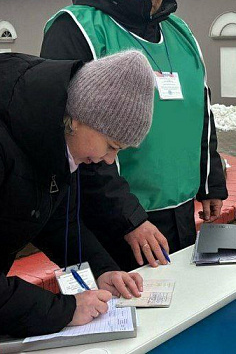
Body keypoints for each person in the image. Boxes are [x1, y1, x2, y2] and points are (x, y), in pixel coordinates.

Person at [40, 0, 228, 271]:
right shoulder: (78, 28)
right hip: (115, 219)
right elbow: (70, 136)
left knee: (182, 306)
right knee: (133, 313)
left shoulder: (180, 32)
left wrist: (210, 182)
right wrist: (129, 218)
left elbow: (201, 112)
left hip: (180, 211)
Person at [0, 50, 155, 337]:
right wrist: (65, 310)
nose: (109, 161)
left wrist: (102, 271)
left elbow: (56, 221)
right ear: (78, 119)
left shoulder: (49, 135)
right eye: (111, 145)